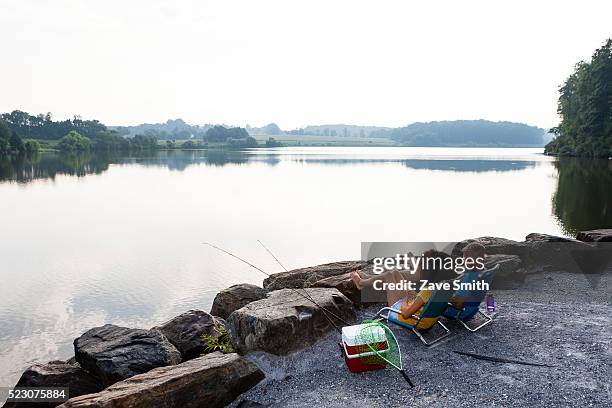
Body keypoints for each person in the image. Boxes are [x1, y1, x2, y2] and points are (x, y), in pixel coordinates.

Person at [351, 249, 457, 324]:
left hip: (400, 314)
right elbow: (424, 300)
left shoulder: (427, 291)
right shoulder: (443, 288)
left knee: (389, 275)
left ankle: (361, 283)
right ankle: (364, 281)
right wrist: (413, 296)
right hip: (416, 309)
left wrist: (406, 299)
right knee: (395, 273)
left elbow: (406, 314)